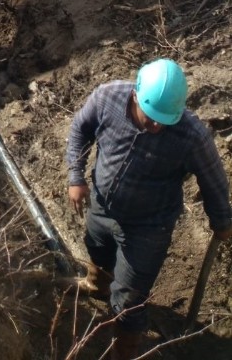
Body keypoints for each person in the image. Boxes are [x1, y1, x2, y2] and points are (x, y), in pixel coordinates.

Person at [65, 58, 232, 359]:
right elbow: (80, 128)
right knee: (97, 249)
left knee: (129, 302)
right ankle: (96, 285)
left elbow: (214, 180)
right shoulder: (107, 97)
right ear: (135, 96)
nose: (157, 126)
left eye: (165, 120)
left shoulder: (192, 135)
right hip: (101, 205)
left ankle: (124, 353)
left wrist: (221, 221)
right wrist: (76, 177)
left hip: (148, 227)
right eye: (151, 117)